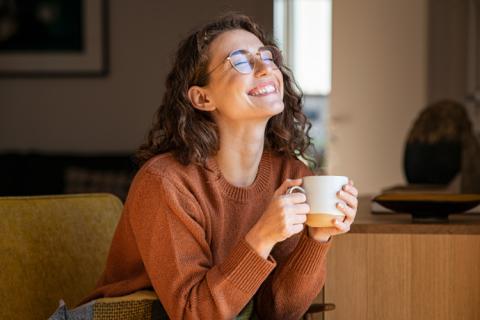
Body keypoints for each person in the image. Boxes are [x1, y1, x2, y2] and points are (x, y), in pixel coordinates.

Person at [82, 13, 358, 319]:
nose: (266, 67)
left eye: (267, 56)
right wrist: (261, 237)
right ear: (202, 98)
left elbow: (277, 311)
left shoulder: (292, 175)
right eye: (240, 61)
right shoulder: (165, 182)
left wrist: (316, 239)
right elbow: (191, 314)